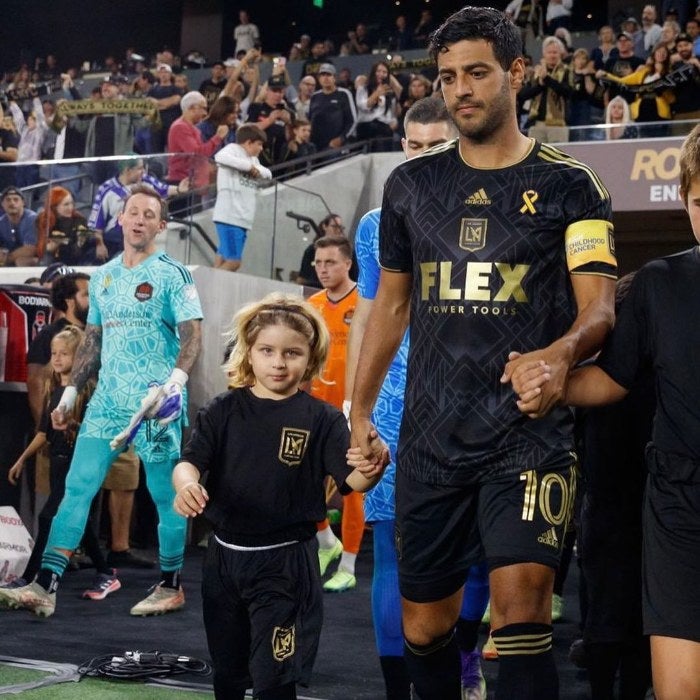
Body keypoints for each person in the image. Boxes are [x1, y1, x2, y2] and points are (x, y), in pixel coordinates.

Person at [350, 7, 617, 699]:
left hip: (530, 439)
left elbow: (600, 309)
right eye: (448, 77)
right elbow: (391, 307)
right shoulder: (410, 188)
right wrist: (359, 412)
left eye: (477, 72)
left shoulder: (573, 186)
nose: (461, 88)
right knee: (424, 630)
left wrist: (560, 355)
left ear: (517, 73)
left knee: (523, 618)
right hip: (432, 439)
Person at [512, 122, 700, 700]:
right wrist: (548, 377)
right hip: (679, 510)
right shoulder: (661, 285)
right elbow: (612, 382)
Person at [0, 184, 203, 618]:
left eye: (150, 215)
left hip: (155, 401)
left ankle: (170, 586)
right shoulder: (105, 277)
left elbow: (192, 335)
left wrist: (176, 382)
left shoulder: (174, 274)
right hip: (107, 402)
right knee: (76, 488)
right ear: (121, 219)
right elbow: (93, 340)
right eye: (133, 212)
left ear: (161, 225)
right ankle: (45, 585)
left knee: (165, 494)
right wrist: (72, 390)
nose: (140, 220)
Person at [172, 292, 386, 700]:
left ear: (311, 358)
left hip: (285, 565)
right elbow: (189, 462)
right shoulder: (221, 410)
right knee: (229, 677)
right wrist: (186, 485)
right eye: (267, 350)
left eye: (292, 353)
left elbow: (351, 482)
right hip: (223, 562)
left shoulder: (322, 419)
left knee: (274, 681)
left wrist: (374, 466)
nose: (279, 362)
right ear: (248, 353)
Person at [345, 95, 489, 699]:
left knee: (478, 552)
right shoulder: (378, 224)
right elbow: (369, 314)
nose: (423, 155)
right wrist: (357, 409)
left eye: (436, 144)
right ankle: (401, 688)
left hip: (477, 405)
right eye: (413, 145)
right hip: (398, 405)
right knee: (390, 551)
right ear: (401, 146)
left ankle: (461, 664)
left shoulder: (494, 208)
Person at [3, 327, 121, 601]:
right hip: (56, 464)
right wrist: (22, 459)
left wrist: (74, 424)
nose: (56, 359)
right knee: (80, 524)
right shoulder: (55, 391)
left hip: (77, 464)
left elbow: (95, 434)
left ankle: (28, 577)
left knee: (48, 518)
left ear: (79, 356)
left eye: (64, 354)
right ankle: (106, 572)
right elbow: (44, 432)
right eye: (54, 353)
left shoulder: (90, 392)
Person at [306, 236, 365, 594]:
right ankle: (327, 542)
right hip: (317, 410)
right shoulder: (311, 306)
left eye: (330, 262)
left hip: (354, 412)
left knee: (352, 489)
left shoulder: (366, 302)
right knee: (303, 480)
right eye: (318, 263)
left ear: (347, 264)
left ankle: (349, 565)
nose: (323, 269)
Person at [88, 155, 189, 261]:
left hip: (141, 235)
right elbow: (96, 225)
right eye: (140, 168)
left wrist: (179, 189)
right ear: (128, 170)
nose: (144, 171)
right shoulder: (106, 189)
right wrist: (100, 245)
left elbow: (164, 190)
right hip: (114, 240)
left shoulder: (146, 180)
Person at [212, 123, 272, 272]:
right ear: (248, 142)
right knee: (234, 262)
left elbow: (268, 174)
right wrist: (247, 167)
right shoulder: (232, 149)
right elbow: (219, 157)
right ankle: (208, 290)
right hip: (229, 215)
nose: (261, 149)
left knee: (222, 259)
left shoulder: (255, 161)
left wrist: (254, 168)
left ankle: (209, 291)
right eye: (259, 144)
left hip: (243, 218)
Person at [519, 36, 573, 143]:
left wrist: (547, 79)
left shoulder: (567, 70)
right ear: (544, 53)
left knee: (557, 158)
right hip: (536, 123)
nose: (552, 55)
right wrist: (540, 85)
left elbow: (568, 93)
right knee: (536, 158)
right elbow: (523, 95)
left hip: (558, 124)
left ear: (560, 54)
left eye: (555, 52)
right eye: (549, 52)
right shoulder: (536, 71)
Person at [35, 187, 91, 266]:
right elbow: (39, 246)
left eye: (72, 203)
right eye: (66, 204)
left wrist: (79, 242)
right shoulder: (43, 220)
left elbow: (78, 251)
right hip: (51, 259)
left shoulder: (79, 220)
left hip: (75, 259)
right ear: (54, 206)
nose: (70, 208)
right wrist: (49, 248)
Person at [354, 61, 403, 150]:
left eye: (384, 72)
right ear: (373, 72)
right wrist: (376, 94)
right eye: (378, 71)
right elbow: (362, 106)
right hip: (366, 126)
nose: (381, 74)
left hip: (383, 127)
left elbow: (391, 114)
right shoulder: (363, 89)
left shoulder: (390, 93)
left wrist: (394, 122)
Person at [309, 64, 357, 153]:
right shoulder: (315, 96)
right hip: (316, 145)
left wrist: (342, 138)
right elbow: (310, 120)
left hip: (336, 145)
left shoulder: (344, 94)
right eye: (323, 75)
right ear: (319, 78)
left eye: (329, 75)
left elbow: (353, 120)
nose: (325, 78)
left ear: (334, 78)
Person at [0, 186, 37, 267]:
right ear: (2, 204)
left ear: (23, 202)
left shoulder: (32, 219)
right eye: (8, 200)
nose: (12, 203)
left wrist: (6, 258)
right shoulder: (1, 222)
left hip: (37, 258)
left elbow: (30, 250)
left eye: (16, 199)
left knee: (21, 261)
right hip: (11, 259)